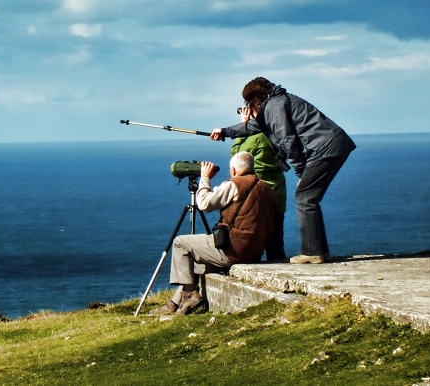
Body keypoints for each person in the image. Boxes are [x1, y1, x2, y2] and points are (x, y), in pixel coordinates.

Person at [211, 77, 355, 265]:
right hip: (333, 144)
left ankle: (312, 252)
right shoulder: (277, 103)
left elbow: (287, 139)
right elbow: (254, 126)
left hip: (324, 147)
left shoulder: (274, 106)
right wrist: (225, 131)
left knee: (305, 197)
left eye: (248, 104)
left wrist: (300, 170)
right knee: (310, 198)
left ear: (255, 100)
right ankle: (320, 251)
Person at [150, 152, 275, 316]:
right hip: (254, 250)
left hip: (234, 249)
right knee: (193, 265)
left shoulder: (234, 184)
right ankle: (174, 303)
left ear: (234, 170)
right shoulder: (266, 187)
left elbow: (204, 204)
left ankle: (190, 295)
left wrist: (205, 178)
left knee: (180, 243)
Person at [231, 129, 287, 262]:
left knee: (255, 235)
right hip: (278, 190)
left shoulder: (258, 136)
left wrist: (242, 131)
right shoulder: (279, 132)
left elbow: (237, 156)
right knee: (276, 237)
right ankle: (278, 264)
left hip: (259, 194)